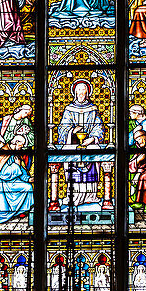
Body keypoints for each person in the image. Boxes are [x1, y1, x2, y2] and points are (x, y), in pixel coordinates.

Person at [53, 80, 107, 209]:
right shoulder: (69, 109)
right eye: (79, 90)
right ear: (75, 92)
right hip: (73, 143)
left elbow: (99, 127)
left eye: (83, 90)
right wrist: (72, 131)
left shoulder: (93, 109)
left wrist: (92, 138)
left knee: (93, 158)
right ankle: (74, 196)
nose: (81, 93)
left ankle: (90, 196)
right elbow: (62, 128)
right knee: (72, 163)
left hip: (89, 143)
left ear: (87, 92)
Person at [0, 136, 34, 225]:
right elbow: (3, 174)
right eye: (21, 144)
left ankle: (21, 211)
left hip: (12, 182)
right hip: (3, 184)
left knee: (28, 187)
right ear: (16, 142)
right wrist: (16, 165)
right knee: (2, 211)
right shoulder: (4, 152)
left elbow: (22, 170)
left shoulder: (15, 153)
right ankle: (11, 213)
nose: (22, 147)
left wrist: (28, 178)